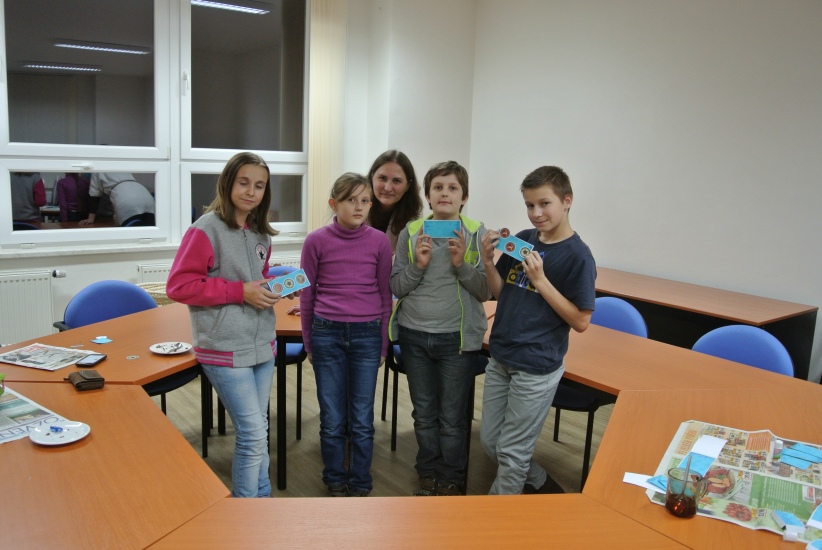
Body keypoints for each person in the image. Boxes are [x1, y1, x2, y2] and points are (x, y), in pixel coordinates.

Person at [167, 152, 283, 498]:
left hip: (262, 344)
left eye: (259, 186)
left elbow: (256, 279)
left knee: (259, 430)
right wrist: (239, 291)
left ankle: (261, 501)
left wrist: (269, 289)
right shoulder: (205, 230)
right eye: (243, 183)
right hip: (225, 347)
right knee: (252, 433)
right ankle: (245, 514)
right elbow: (179, 286)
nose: (251, 191)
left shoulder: (261, 234)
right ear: (228, 183)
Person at [479, 165, 596, 495]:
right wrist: (487, 261)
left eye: (545, 204)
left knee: (512, 453)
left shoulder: (578, 257)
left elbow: (581, 322)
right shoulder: (524, 239)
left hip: (536, 366)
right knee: (491, 442)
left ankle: (496, 520)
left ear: (567, 201)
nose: (536, 213)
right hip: (502, 356)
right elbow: (501, 293)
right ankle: (542, 483)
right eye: (530, 205)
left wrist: (541, 281)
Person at [389, 160, 491, 496]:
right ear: (428, 196)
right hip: (414, 335)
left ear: (464, 197)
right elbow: (397, 286)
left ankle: (451, 477)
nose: (445, 193)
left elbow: (485, 292)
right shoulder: (412, 232)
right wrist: (418, 265)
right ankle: (428, 472)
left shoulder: (476, 233)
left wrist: (461, 264)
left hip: (457, 341)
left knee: (452, 418)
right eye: (438, 188)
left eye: (453, 188)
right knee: (424, 414)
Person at [300, 172, 393, 497]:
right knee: (332, 416)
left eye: (365, 200)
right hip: (327, 333)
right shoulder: (315, 241)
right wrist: (309, 342)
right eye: (351, 200)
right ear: (333, 203)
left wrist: (383, 344)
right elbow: (307, 295)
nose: (359, 206)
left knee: (362, 417)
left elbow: (385, 295)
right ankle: (335, 479)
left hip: (368, 334)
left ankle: (361, 480)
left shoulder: (379, 241)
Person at [366, 150, 423, 252]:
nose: (387, 188)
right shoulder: (355, 201)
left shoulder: (414, 211)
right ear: (372, 177)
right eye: (382, 178)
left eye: (396, 181)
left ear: (408, 185)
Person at [79, 172, 155, 226]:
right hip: (145, 194)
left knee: (131, 236)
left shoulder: (97, 169)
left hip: (126, 198)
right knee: (149, 235)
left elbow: (94, 194)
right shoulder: (119, 163)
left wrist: (90, 219)